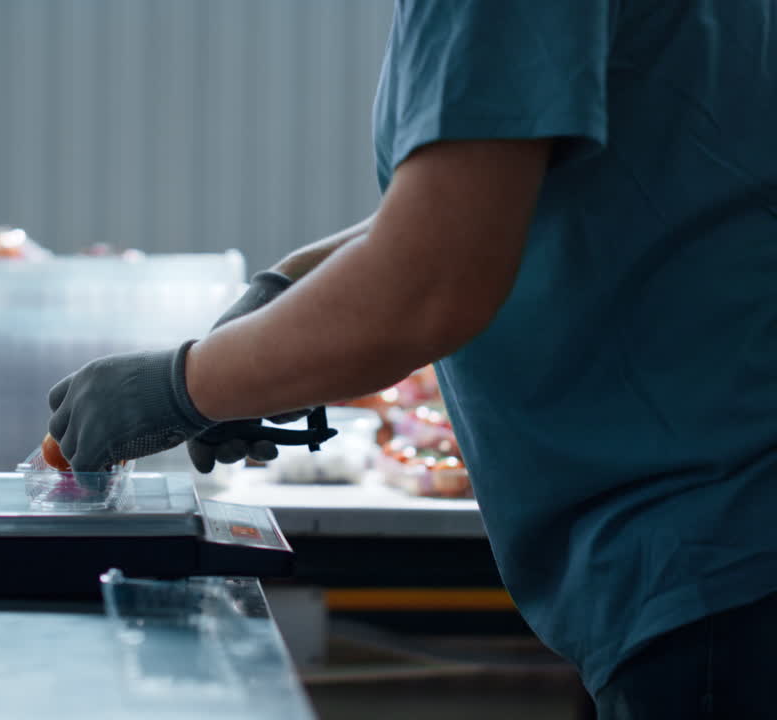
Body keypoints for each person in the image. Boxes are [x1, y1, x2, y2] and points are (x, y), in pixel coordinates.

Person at [46, 1, 777, 716]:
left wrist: (180, 385)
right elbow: (497, 186)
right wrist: (290, 287)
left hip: (713, 560)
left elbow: (434, 279)